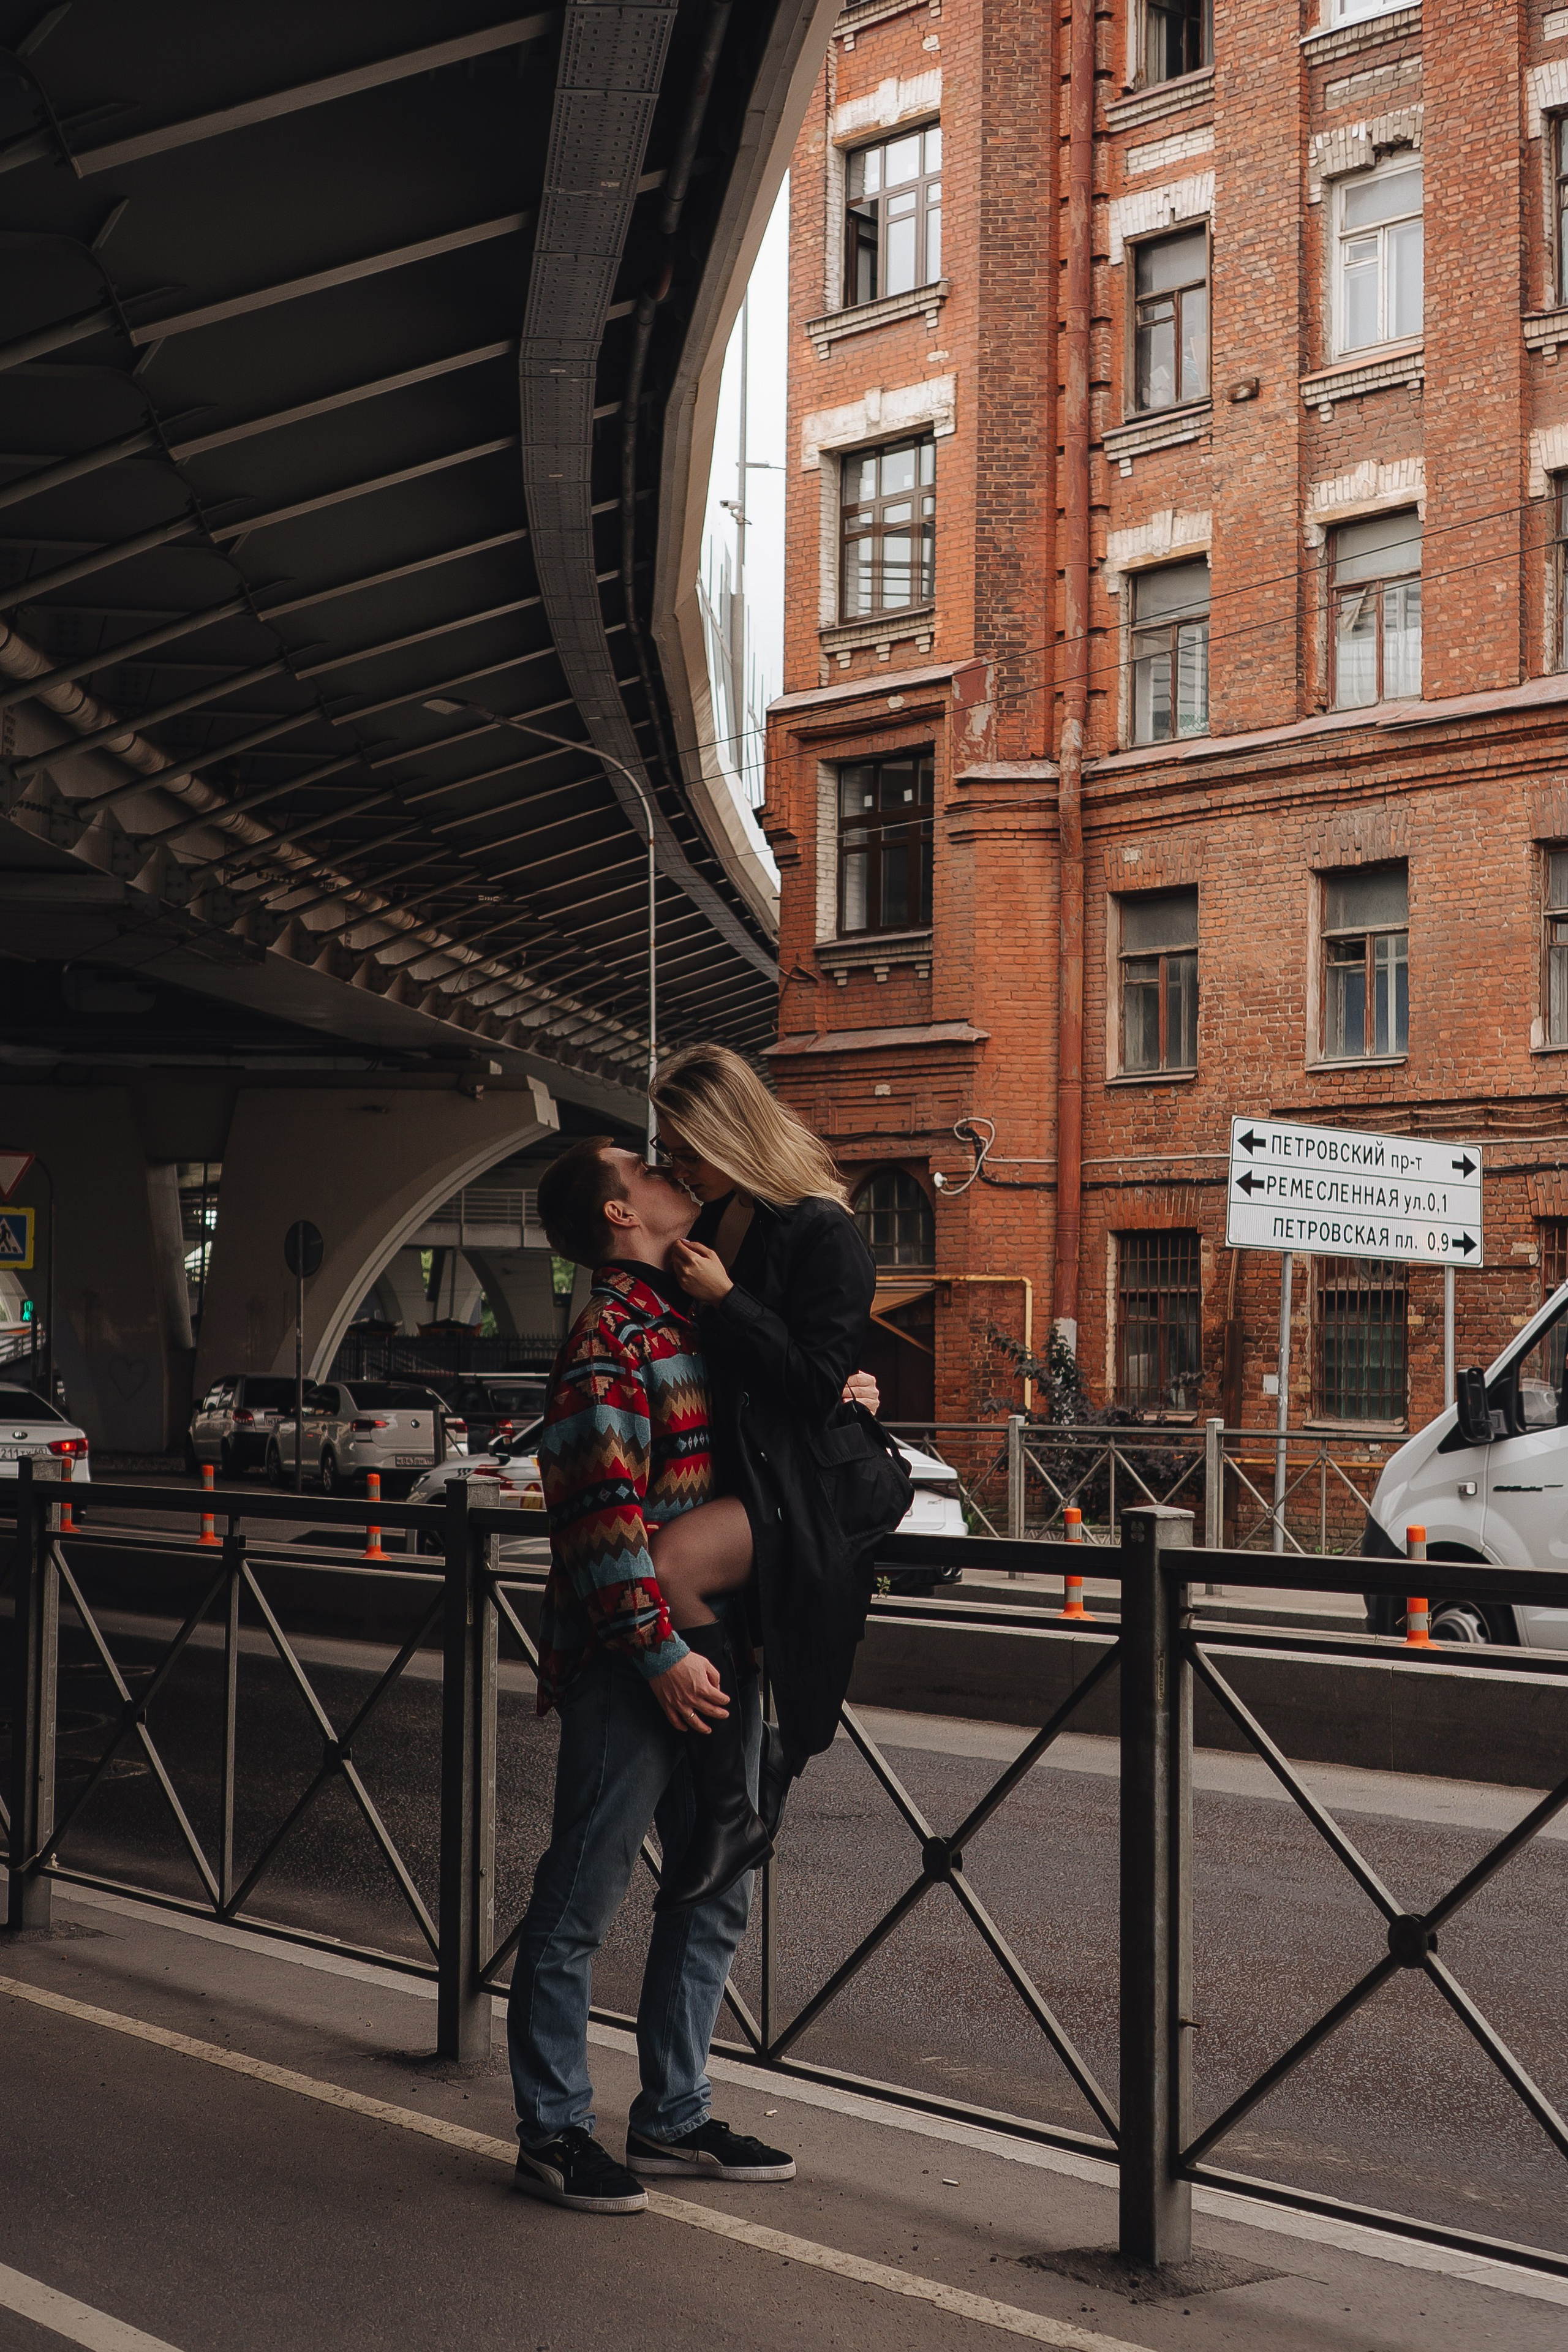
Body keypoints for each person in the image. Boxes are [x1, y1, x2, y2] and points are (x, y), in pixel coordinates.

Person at [507, 1134, 794, 2215]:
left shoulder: (689, 1313)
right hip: (641, 1659)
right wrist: (658, 1651)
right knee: (582, 1893)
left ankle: (673, 2116)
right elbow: (597, 1512)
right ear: (620, 1216)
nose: (672, 1170)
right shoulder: (608, 1338)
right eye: (644, 1167)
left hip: (712, 1641)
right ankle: (554, 2129)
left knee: (714, 1881)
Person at [646, 1045, 912, 1885]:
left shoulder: (822, 1229)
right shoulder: (719, 1216)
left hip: (807, 1479)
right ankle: (738, 1804)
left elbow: (810, 1383)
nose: (679, 1166)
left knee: (674, 1565)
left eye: (690, 1149)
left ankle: (740, 1805)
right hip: (745, 1469)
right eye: (668, 1150)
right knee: (757, 1643)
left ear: (734, 1134)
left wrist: (729, 1299)